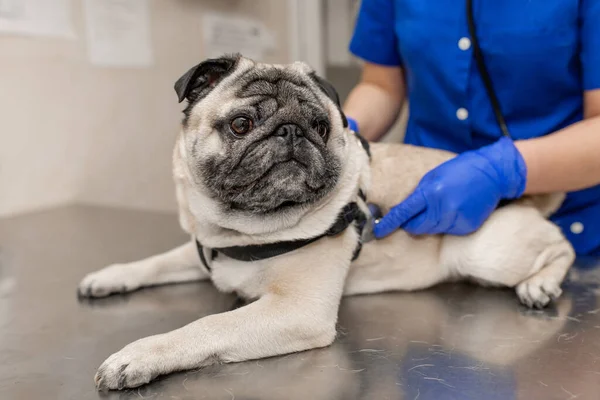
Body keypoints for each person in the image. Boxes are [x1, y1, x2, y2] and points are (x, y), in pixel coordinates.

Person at [344, 0, 600, 256]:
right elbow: (382, 86)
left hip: (563, 226)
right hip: (427, 222)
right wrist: (340, 133)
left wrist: (502, 171)